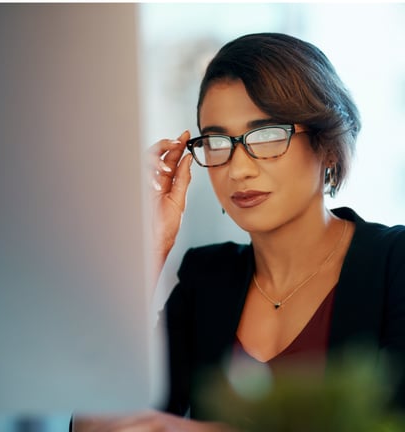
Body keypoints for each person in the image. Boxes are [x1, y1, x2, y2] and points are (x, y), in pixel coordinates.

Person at [73, 32, 405, 431]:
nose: (239, 168)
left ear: (327, 145)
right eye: (217, 141)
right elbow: (93, 422)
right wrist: (148, 248)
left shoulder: (393, 264)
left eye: (266, 136)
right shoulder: (205, 280)